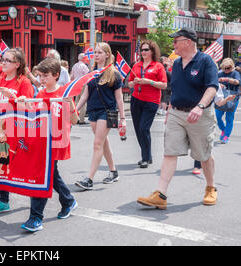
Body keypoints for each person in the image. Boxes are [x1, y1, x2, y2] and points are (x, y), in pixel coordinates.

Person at [137, 27, 219, 209]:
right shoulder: (176, 63)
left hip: (200, 114)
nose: (173, 44)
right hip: (176, 113)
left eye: (176, 40)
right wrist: (169, 109)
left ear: (188, 42)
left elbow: (212, 87)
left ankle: (210, 188)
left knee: (204, 155)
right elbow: (175, 88)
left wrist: (200, 106)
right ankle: (161, 194)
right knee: (169, 152)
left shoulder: (205, 61)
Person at [18, 57, 79, 232]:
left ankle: (35, 217)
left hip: (57, 141)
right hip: (42, 141)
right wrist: (22, 103)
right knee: (50, 176)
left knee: (43, 176)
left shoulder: (64, 94)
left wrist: (71, 105)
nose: (42, 79)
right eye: (40, 76)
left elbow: (74, 120)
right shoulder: (40, 94)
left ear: (56, 75)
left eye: (45, 76)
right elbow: (34, 116)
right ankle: (68, 201)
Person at [0, 47, 34, 214]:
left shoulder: (24, 82)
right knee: (2, 164)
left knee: (24, 166)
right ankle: (3, 200)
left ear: (17, 64)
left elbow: (28, 108)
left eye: (7, 60)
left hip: (17, 131)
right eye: (2, 59)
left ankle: (39, 195)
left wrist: (12, 97)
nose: (2, 63)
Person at [74, 42, 126, 190]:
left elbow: (119, 98)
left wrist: (123, 119)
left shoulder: (114, 73)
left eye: (100, 52)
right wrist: (76, 110)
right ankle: (114, 171)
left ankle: (89, 179)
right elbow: (85, 95)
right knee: (103, 142)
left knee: (97, 143)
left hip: (107, 112)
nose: (96, 55)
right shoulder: (92, 73)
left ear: (107, 55)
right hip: (93, 111)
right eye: (95, 52)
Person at [128, 40, 168, 168]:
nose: (143, 52)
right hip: (136, 99)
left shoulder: (158, 66)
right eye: (142, 50)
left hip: (151, 101)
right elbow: (129, 83)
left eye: (146, 50)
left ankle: (145, 157)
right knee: (138, 130)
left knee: (144, 128)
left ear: (152, 51)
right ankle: (147, 156)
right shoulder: (136, 65)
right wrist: (134, 83)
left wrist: (148, 82)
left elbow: (164, 85)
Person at [214, 58, 240, 144]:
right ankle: (223, 130)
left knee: (229, 118)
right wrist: (219, 84)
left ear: (232, 66)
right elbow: (214, 82)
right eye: (224, 68)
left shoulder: (235, 73)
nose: (226, 70)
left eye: (228, 68)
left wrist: (227, 80)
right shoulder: (220, 73)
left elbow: (237, 82)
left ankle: (226, 136)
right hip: (221, 97)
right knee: (218, 116)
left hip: (232, 97)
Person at [71, 53, 90, 124]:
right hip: (83, 84)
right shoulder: (83, 66)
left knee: (76, 102)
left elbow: (72, 76)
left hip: (76, 84)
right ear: (83, 59)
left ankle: (75, 118)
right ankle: (81, 119)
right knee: (83, 102)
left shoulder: (74, 66)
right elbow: (88, 75)